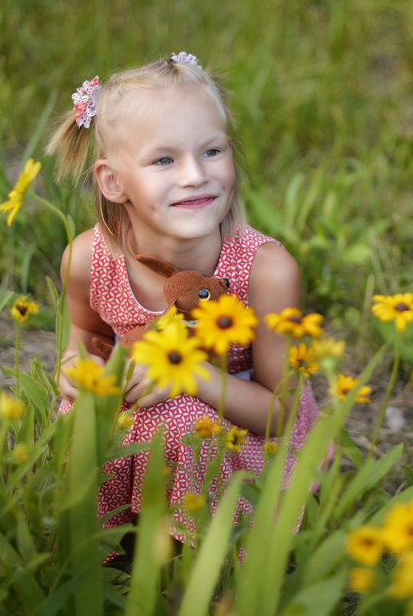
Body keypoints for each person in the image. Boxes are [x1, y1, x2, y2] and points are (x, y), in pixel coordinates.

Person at [46, 51, 320, 552]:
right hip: (137, 410)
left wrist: (188, 375)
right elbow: (86, 335)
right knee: (77, 412)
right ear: (113, 181)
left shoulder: (266, 273)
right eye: (164, 159)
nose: (195, 175)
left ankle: (200, 556)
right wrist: (75, 363)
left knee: (180, 418)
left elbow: (281, 411)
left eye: (212, 151)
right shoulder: (87, 261)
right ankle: (111, 536)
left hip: (238, 433)